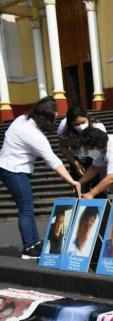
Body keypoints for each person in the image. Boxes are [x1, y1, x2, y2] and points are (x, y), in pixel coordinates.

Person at [0, 96, 80, 259]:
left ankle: (34, 242)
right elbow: (52, 160)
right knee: (26, 208)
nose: (56, 117)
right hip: (13, 170)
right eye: (54, 115)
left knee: (28, 206)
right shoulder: (33, 135)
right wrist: (72, 181)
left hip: (11, 167)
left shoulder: (22, 119)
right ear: (46, 117)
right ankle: (29, 248)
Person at [58, 105, 107, 196]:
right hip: (77, 160)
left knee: (99, 191)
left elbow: (103, 148)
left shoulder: (98, 126)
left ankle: (101, 209)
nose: (80, 126)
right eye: (76, 124)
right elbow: (62, 146)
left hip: (96, 159)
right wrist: (76, 164)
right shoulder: (64, 127)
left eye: (83, 122)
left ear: (87, 117)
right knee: (80, 191)